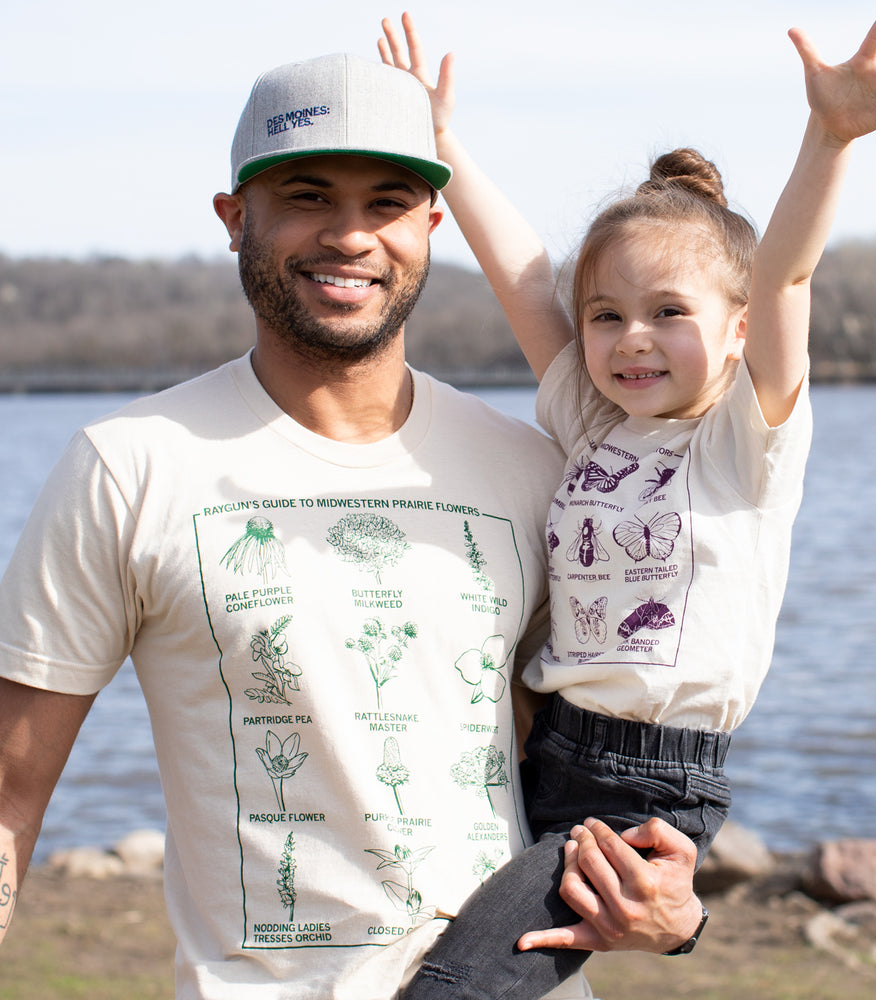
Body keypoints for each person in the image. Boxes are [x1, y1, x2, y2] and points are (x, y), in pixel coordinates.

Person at [0, 49, 708, 1000]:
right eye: (306, 196)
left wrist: (675, 913)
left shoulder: (534, 469)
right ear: (234, 218)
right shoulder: (130, 465)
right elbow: (9, 795)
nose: (349, 235)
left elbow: (585, 760)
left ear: (430, 225)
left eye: (385, 201)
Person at [379, 4, 876, 998]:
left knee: (455, 990)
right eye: (606, 315)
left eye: (667, 313)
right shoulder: (593, 422)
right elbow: (525, 279)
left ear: (735, 335)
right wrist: (441, 149)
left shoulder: (743, 442)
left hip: (639, 791)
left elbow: (783, 275)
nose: (630, 339)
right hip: (544, 746)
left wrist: (827, 138)